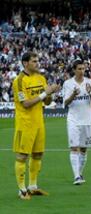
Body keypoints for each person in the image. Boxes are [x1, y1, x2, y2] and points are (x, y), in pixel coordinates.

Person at [12, 52, 60, 200]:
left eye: (37, 60)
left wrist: (51, 93)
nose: (37, 63)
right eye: (34, 61)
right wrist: (44, 94)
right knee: (22, 156)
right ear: (25, 63)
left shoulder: (40, 78)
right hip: (25, 123)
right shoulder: (19, 81)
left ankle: (32, 187)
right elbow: (25, 104)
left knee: (38, 154)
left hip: (39, 121)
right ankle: (21, 190)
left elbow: (46, 101)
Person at [62, 59, 91, 185]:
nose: (82, 71)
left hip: (87, 119)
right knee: (74, 147)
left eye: (83, 69)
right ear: (74, 70)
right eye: (79, 69)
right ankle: (76, 176)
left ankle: (80, 173)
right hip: (73, 120)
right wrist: (73, 94)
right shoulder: (68, 83)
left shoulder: (90, 82)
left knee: (83, 149)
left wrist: (89, 93)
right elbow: (65, 103)